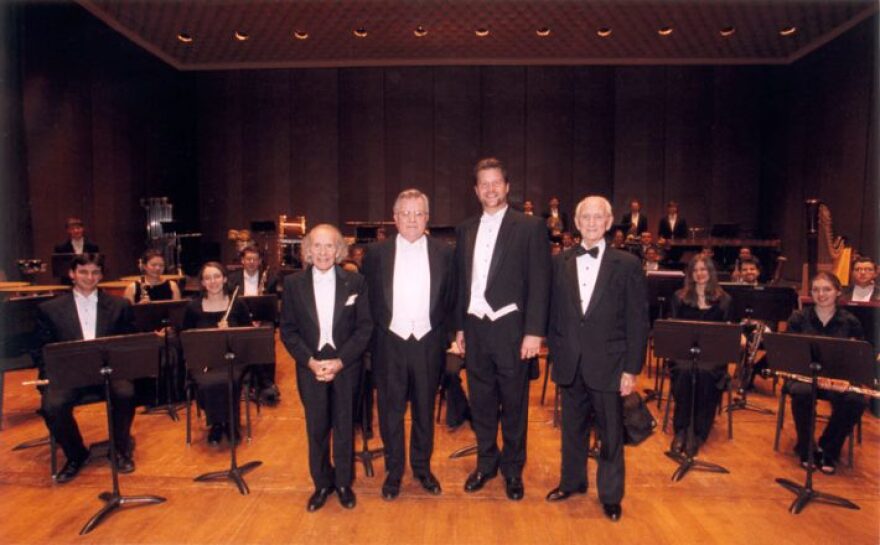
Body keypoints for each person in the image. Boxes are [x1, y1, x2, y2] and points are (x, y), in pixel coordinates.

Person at [544, 196, 648, 522]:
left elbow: (637, 321)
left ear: (608, 222)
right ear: (575, 223)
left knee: (611, 433)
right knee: (571, 429)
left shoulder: (627, 265)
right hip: (570, 361)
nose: (591, 223)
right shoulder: (558, 262)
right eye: (585, 217)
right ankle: (572, 482)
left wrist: (632, 368)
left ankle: (611, 495)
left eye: (597, 217)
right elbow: (553, 314)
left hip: (611, 364)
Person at [454, 157, 551, 501]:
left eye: (497, 182)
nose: (491, 189)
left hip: (512, 330)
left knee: (514, 405)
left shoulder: (530, 227)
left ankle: (513, 470)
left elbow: (541, 283)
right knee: (480, 402)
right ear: (476, 190)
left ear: (507, 187)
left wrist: (534, 332)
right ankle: (485, 464)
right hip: (475, 328)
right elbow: (461, 283)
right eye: (484, 184)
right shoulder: (464, 229)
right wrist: (459, 327)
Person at [362, 189, 455, 500]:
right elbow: (368, 302)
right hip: (390, 343)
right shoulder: (375, 255)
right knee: (390, 412)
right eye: (406, 213)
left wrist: (452, 336)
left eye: (418, 213)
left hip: (428, 342)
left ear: (427, 218)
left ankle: (422, 469)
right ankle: (393, 471)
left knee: (425, 411)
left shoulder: (445, 253)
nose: (412, 219)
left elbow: (451, 299)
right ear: (395, 217)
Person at [280, 224, 372, 512]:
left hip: (346, 365)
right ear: (307, 250)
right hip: (311, 366)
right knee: (316, 427)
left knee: (344, 427)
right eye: (316, 246)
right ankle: (322, 484)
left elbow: (364, 327)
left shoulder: (355, 282)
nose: (322, 252)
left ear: (338, 250)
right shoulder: (294, 284)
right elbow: (288, 331)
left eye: (329, 245)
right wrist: (309, 361)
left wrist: (341, 361)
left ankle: (343, 483)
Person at [36, 253, 136, 483]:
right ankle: (76, 454)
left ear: (101, 275)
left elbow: (129, 343)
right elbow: (40, 349)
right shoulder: (49, 309)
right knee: (52, 405)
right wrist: (48, 374)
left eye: (95, 272)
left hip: (109, 371)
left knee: (125, 392)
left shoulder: (120, 305)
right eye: (83, 272)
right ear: (72, 274)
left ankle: (119, 449)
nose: (89, 277)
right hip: (70, 375)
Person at [786, 272, 867, 474]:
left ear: (838, 292)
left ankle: (829, 447)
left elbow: (858, 359)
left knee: (856, 400)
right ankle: (806, 448)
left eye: (827, 289)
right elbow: (790, 355)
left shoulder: (851, 322)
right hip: (804, 376)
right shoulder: (798, 318)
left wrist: (847, 380)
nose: (821, 294)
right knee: (802, 393)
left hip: (837, 380)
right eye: (816, 290)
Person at [668, 255, 733, 456]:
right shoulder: (679, 297)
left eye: (704, 269)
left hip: (712, 357)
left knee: (706, 374)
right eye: (695, 270)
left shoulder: (724, 300)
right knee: (684, 371)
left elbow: (728, 333)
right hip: (684, 354)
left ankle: (698, 432)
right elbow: (672, 331)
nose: (699, 274)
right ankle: (681, 430)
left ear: (711, 273)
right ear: (690, 274)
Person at [182, 262, 252, 445]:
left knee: (229, 378)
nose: (213, 281)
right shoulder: (193, 307)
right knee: (208, 381)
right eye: (207, 278)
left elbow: (249, 336)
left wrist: (231, 332)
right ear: (202, 283)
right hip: (203, 360)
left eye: (217, 276)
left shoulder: (237, 304)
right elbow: (186, 338)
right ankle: (217, 423)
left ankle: (230, 423)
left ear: (225, 279)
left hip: (233, 359)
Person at [227, 247, 282, 406]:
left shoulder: (270, 278)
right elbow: (232, 305)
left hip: (262, 318)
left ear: (260, 261)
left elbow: (272, 304)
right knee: (245, 341)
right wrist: (247, 321)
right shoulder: (232, 279)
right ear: (242, 261)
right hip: (241, 319)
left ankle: (267, 382)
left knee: (265, 337)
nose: (251, 262)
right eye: (248, 259)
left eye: (255, 259)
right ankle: (254, 382)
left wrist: (259, 319)